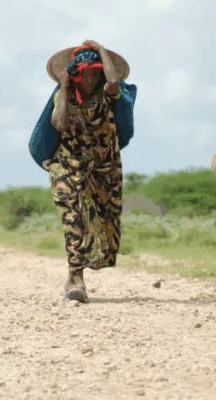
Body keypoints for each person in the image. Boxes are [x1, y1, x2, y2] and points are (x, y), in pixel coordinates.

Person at [46, 40, 129, 303]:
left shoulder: (107, 93)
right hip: (68, 166)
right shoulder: (64, 95)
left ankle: (72, 277)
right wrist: (64, 87)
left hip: (103, 167)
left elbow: (114, 83)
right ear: (75, 74)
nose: (91, 80)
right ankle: (78, 279)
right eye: (85, 74)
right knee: (73, 218)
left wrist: (102, 49)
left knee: (102, 218)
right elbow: (59, 123)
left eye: (96, 73)